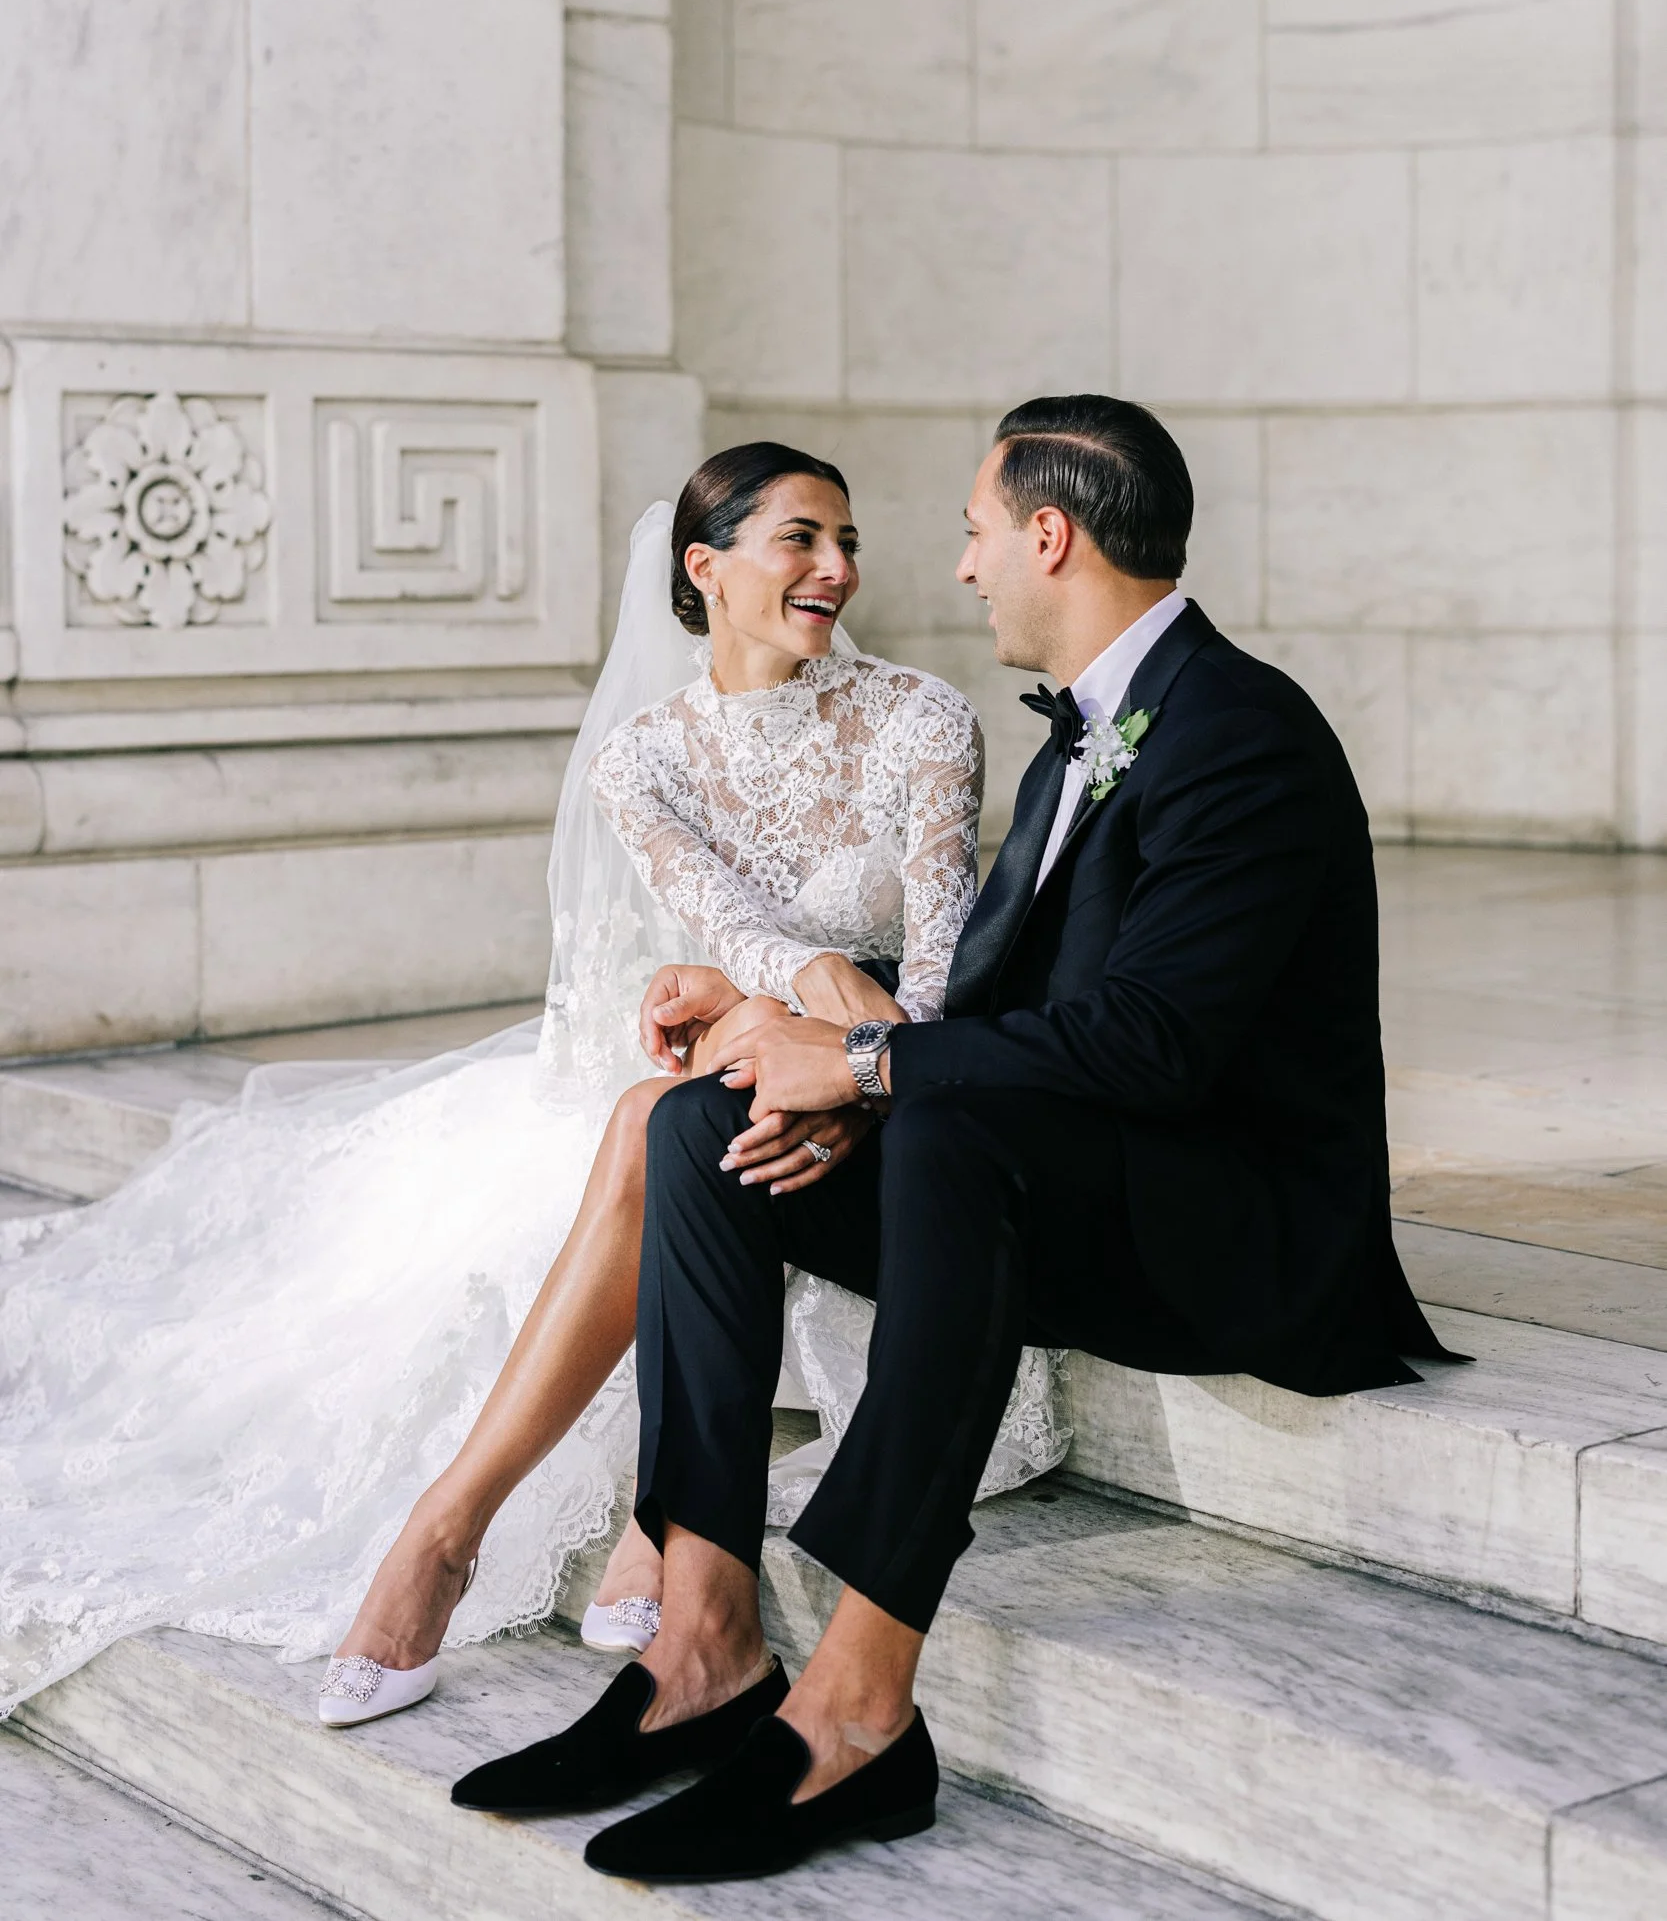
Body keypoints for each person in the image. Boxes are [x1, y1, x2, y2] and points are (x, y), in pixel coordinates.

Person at [450, 394, 1457, 1883]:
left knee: (938, 1129)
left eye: (978, 534)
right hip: (1086, 1186)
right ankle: (702, 1639)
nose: (963, 567)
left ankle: (857, 1706)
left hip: (1242, 1239)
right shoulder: (1073, 749)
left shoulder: (1240, 732)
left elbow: (1147, 1046)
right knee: (695, 1135)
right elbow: (988, 1012)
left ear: (1049, 532)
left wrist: (861, 1061)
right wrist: (774, 1037)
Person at [0, 444, 1068, 1724]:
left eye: (846, 540)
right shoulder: (644, 758)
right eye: (798, 539)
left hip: (874, 1065)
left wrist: (813, 1047)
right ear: (704, 565)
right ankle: (500, 1524)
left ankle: (537, 1520)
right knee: (658, 1110)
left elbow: (938, 986)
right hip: (771, 1052)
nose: (836, 568)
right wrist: (785, 1001)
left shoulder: (921, 718)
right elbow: (736, 929)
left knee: (659, 1116)